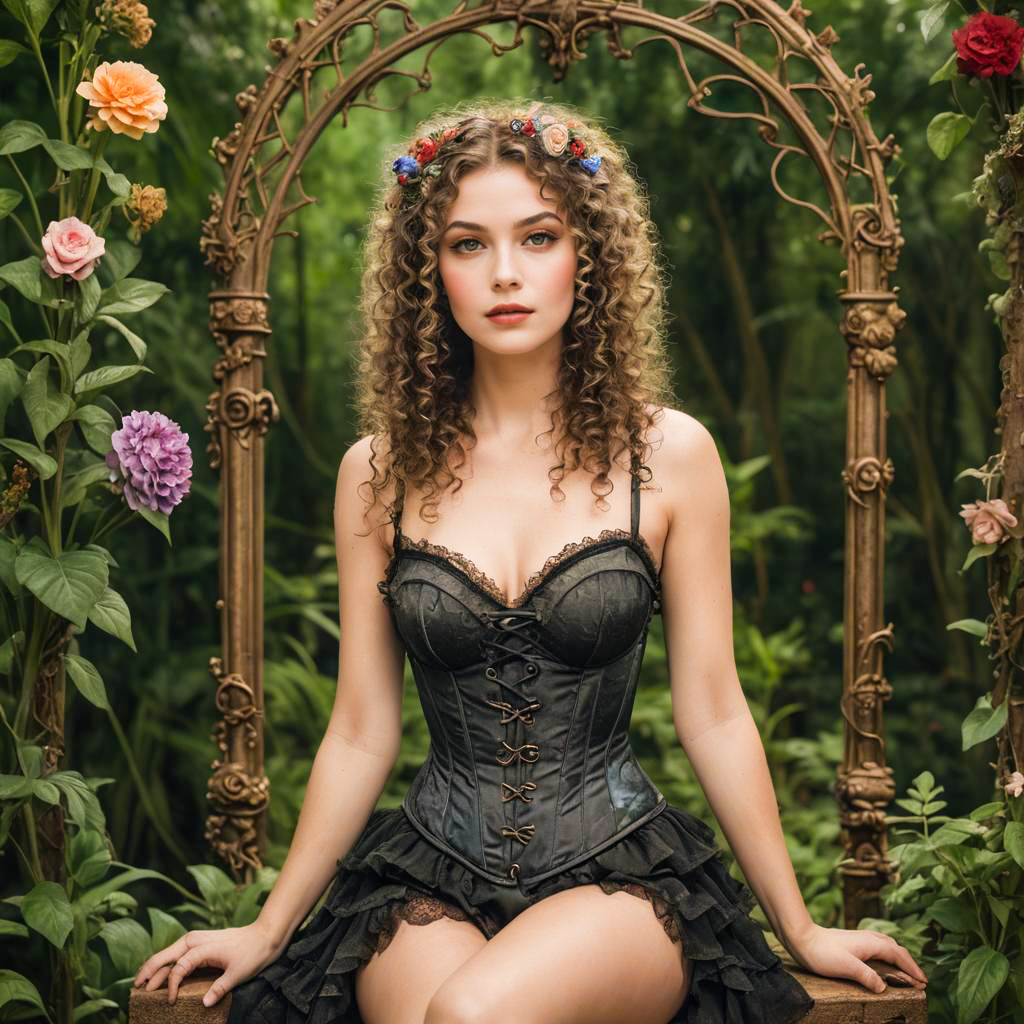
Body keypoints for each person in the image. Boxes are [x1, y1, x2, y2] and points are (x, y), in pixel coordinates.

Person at [132, 98, 928, 1023]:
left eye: (538, 237)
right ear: (427, 271)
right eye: (467, 244)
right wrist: (268, 929)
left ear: (589, 255)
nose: (505, 273)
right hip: (428, 873)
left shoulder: (667, 458)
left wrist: (800, 927)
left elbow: (712, 710)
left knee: (472, 1015)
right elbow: (360, 728)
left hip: (622, 878)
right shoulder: (377, 474)